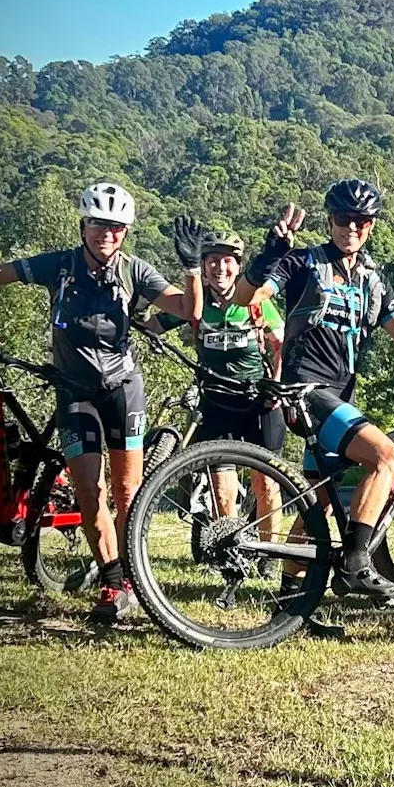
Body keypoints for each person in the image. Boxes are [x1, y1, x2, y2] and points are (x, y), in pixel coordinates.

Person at [0, 182, 197, 623]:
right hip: (74, 391)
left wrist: (192, 268)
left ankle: (134, 574)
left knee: (127, 492)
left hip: (123, 390)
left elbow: (187, 309)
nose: (106, 233)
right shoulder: (60, 266)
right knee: (89, 490)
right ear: (84, 226)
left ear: (125, 232)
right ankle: (113, 581)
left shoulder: (134, 270)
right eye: (98, 223)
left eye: (115, 227)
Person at [236, 179, 394, 601]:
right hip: (306, 391)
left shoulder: (373, 280)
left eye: (361, 221)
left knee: (319, 506)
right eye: (343, 218)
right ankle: (355, 564)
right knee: (388, 457)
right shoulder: (302, 263)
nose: (351, 227)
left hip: (339, 396)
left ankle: (291, 604)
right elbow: (246, 297)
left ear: (371, 225)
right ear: (330, 220)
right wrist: (269, 253)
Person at [151, 222, 287, 548]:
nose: (219, 268)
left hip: (258, 401)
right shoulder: (196, 302)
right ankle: (232, 551)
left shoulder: (255, 301)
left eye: (227, 261)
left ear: (239, 267)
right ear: (203, 265)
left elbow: (282, 344)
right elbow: (153, 323)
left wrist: (276, 385)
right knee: (221, 489)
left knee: (266, 483)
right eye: (212, 260)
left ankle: (270, 556)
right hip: (216, 402)